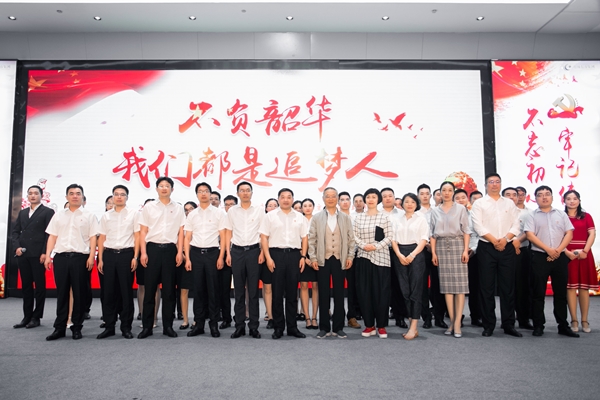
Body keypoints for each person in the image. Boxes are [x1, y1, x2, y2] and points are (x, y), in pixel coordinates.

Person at [44, 184, 98, 341]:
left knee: (79, 293)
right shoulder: (58, 215)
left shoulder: (89, 216)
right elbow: (52, 236)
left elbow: (93, 237)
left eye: (78, 193)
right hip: (61, 257)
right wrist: (47, 256)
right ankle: (59, 328)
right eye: (72, 193)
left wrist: (91, 257)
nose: (75, 196)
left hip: (80, 258)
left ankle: (76, 327)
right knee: (62, 293)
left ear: (82, 197)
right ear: (66, 197)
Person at [471, 173, 521, 337]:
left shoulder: (509, 203)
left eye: (497, 182)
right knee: (487, 288)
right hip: (487, 248)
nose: (494, 184)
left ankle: (508, 324)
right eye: (491, 182)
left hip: (507, 247)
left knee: (508, 287)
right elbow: (478, 226)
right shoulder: (479, 203)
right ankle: (488, 325)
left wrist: (505, 240)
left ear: (500, 184)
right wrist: (494, 241)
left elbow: (516, 225)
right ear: (486, 185)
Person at [524, 185, 578, 338]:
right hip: (539, 256)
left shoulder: (561, 214)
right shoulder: (532, 215)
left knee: (560, 293)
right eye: (540, 195)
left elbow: (569, 233)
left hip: (560, 256)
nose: (544, 197)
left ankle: (563, 325)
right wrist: (548, 250)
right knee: (538, 293)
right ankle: (538, 325)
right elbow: (530, 235)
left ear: (552, 197)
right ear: (535, 198)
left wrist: (558, 250)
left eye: (547, 194)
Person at [138, 177, 185, 339]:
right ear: (156, 189)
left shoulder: (178, 208)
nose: (164, 188)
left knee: (169, 291)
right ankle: (147, 327)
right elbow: (143, 231)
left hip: (170, 250)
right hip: (152, 249)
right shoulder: (149, 207)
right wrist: (143, 253)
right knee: (150, 290)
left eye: (167, 186)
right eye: (161, 186)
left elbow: (181, 232)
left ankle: (168, 326)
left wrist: (179, 252)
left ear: (172, 189)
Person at [259, 188, 308, 339]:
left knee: (292, 294)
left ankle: (292, 327)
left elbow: (304, 238)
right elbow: (264, 237)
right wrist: (268, 258)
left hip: (294, 255)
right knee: (277, 294)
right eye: (283, 197)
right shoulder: (270, 216)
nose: (286, 199)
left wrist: (303, 256)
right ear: (278, 199)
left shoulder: (300, 217)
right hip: (276, 255)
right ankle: (278, 327)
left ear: (292, 199)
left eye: (289, 197)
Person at [308, 187, 355, 339]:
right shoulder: (317, 218)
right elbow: (312, 239)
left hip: (340, 259)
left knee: (340, 293)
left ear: (337, 199)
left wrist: (350, 256)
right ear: (323, 199)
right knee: (323, 293)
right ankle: (324, 327)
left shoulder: (345, 218)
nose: (330, 198)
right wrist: (313, 258)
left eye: (333, 196)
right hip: (323, 259)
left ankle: (338, 327)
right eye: (327, 196)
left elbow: (351, 239)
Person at [96, 185, 139, 339]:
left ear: (127, 197)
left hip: (126, 255)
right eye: (116, 194)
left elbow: (137, 236)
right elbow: (102, 238)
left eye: (122, 194)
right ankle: (109, 326)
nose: (119, 197)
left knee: (126, 293)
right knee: (108, 292)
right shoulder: (106, 216)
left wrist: (135, 257)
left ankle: (126, 327)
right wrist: (100, 258)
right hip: (108, 255)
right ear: (113, 197)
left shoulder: (134, 214)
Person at [185, 182, 227, 338]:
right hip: (195, 254)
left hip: (212, 254)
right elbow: (187, 237)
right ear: (197, 194)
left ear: (210, 194)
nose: (203, 194)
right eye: (200, 191)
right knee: (198, 290)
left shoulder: (219, 213)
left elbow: (223, 237)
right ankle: (199, 324)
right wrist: (187, 258)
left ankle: (214, 324)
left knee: (213, 290)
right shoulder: (192, 214)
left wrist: (221, 256)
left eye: (206, 191)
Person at [430, 182, 470, 338]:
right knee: (446, 287)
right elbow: (432, 234)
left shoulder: (460, 209)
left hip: (458, 245)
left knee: (460, 287)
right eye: (444, 190)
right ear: (440, 193)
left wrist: (465, 250)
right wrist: (434, 253)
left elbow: (466, 231)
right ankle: (453, 322)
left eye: (450, 190)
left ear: (453, 192)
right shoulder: (435, 211)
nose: (446, 193)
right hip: (441, 247)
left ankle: (457, 323)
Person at [12, 185, 55, 329]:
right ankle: (27, 316)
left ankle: (36, 317)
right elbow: (15, 232)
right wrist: (17, 247)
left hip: (38, 254)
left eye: (36, 193)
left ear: (41, 195)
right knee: (26, 286)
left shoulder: (48, 212)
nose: (32, 196)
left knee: (39, 286)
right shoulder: (23, 212)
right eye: (30, 193)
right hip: (23, 253)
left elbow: (49, 234)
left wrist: (45, 253)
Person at [225, 181, 264, 339]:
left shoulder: (259, 210)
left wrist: (262, 251)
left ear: (252, 193)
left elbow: (263, 233)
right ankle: (239, 326)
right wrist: (228, 253)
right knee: (239, 291)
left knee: (253, 292)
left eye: (248, 190)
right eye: (242, 190)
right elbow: (228, 232)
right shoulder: (232, 211)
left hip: (254, 251)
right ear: (238, 193)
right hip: (237, 252)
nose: (245, 193)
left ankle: (254, 326)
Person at [354, 188, 393, 339]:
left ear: (378, 200)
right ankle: (369, 325)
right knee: (364, 292)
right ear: (365, 200)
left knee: (381, 293)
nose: (371, 199)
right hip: (363, 257)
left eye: (374, 197)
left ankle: (381, 326)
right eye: (368, 197)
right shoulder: (359, 218)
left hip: (381, 259)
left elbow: (389, 236)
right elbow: (354, 236)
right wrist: (364, 246)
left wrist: (376, 246)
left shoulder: (384, 217)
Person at [391, 193, 429, 340]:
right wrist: (399, 255)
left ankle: (413, 326)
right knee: (404, 290)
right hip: (399, 253)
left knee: (415, 290)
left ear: (416, 204)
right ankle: (411, 322)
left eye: (412, 202)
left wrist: (412, 255)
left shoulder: (421, 219)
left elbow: (424, 239)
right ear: (402, 204)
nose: (409, 204)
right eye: (406, 201)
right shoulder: (397, 219)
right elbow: (393, 239)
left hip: (416, 253)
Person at [563, 190, 597, 334]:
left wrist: (585, 251)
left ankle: (584, 320)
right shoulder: (561, 216)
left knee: (584, 288)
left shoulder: (586, 216)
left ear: (579, 200)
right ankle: (574, 320)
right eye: (568, 198)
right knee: (570, 288)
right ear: (564, 201)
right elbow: (557, 235)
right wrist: (566, 251)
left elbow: (592, 234)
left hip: (584, 254)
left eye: (575, 198)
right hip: (567, 254)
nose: (572, 201)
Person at [416, 183, 447, 330]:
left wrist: (433, 245)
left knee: (438, 284)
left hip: (438, 250)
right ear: (418, 196)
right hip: (421, 250)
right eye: (421, 193)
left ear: (431, 195)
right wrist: (426, 243)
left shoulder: (439, 211)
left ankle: (439, 317)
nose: (424, 196)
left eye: (427, 193)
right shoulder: (415, 213)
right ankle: (426, 317)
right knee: (422, 285)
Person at [504, 186, 534, 330]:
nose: (512, 197)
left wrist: (517, 242)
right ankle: (508, 320)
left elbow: (529, 231)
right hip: (505, 250)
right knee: (507, 287)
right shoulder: (500, 212)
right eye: (508, 195)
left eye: (515, 195)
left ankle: (523, 319)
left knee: (523, 287)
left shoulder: (529, 213)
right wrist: (511, 243)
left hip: (522, 251)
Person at [380, 187, 408, 329]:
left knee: (399, 284)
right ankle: (382, 318)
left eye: (390, 195)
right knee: (383, 285)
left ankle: (400, 316)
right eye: (384, 196)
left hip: (398, 251)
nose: (387, 198)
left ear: (394, 197)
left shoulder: (402, 214)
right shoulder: (377, 213)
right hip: (381, 251)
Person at [454, 189, 482, 327]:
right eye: (457, 198)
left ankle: (476, 316)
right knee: (456, 288)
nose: (460, 200)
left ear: (468, 200)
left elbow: (478, 234)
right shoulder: (449, 216)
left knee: (475, 287)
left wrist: (473, 249)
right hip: (455, 255)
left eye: (463, 197)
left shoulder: (474, 215)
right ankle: (456, 317)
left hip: (472, 254)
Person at [135, 198, 161, 328]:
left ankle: (154, 317)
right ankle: (143, 314)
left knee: (155, 286)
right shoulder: (139, 219)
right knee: (142, 285)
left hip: (156, 253)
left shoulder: (160, 219)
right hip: (142, 254)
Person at [217, 195, 237, 329]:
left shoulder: (240, 217)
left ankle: (242, 316)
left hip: (240, 253)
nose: (229, 207)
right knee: (224, 288)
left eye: (232, 204)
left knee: (241, 289)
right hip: (223, 254)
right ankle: (226, 318)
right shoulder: (221, 218)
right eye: (227, 204)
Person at [177, 201, 197, 330]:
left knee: (198, 290)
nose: (188, 211)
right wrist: (183, 255)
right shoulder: (180, 223)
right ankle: (185, 320)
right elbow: (176, 240)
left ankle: (197, 319)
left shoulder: (198, 222)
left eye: (191, 209)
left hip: (197, 258)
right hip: (183, 260)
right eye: (186, 209)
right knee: (183, 290)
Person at [299, 198, 318, 330]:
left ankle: (314, 317)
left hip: (316, 256)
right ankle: (307, 317)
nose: (307, 208)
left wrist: (314, 258)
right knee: (304, 286)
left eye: (310, 205)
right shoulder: (298, 220)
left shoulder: (318, 220)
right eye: (304, 206)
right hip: (302, 256)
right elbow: (296, 239)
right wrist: (304, 257)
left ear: (313, 207)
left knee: (316, 286)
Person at [345, 193, 362, 329]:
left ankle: (352, 316)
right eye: (342, 200)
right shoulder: (333, 217)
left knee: (353, 287)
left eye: (347, 200)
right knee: (337, 288)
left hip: (353, 255)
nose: (345, 202)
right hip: (335, 255)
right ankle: (337, 316)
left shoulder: (356, 217)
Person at [261, 198, 278, 329]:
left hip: (280, 255)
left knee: (279, 288)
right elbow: (262, 238)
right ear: (266, 208)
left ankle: (279, 315)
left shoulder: (282, 219)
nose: (272, 208)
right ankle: (270, 316)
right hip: (265, 255)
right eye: (270, 205)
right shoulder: (263, 220)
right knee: (267, 287)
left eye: (274, 205)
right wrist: (263, 254)